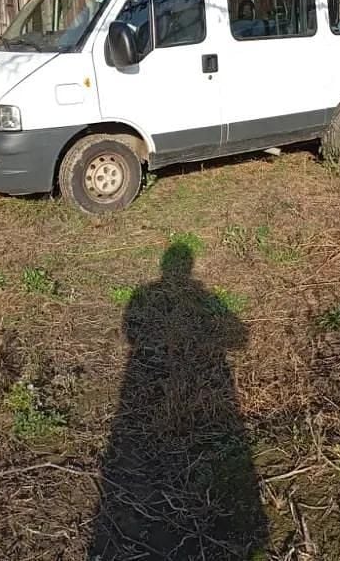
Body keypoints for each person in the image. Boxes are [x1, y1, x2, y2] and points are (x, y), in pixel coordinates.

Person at [88, 240, 268, 560]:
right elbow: (239, 337)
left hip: (143, 386)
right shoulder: (197, 297)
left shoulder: (144, 295)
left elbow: (129, 330)